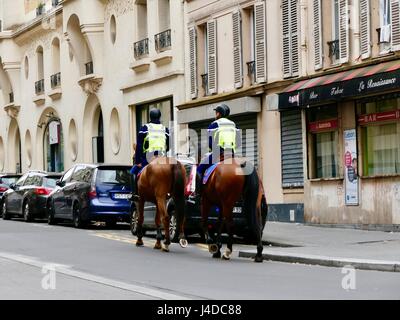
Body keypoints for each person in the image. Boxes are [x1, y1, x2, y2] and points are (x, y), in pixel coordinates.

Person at [194, 104, 241, 197]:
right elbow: (238, 142)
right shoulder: (233, 124)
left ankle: (198, 193)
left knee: (199, 169)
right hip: (231, 154)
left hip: (218, 153)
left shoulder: (215, 124)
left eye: (216, 112)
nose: (216, 114)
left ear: (219, 113)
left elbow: (210, 140)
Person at [130, 109, 170, 201]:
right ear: (159, 116)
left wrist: (138, 162)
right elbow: (169, 146)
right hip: (162, 158)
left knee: (132, 172)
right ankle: (168, 192)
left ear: (150, 117)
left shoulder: (144, 128)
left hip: (148, 159)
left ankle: (135, 194)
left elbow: (139, 146)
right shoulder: (165, 129)